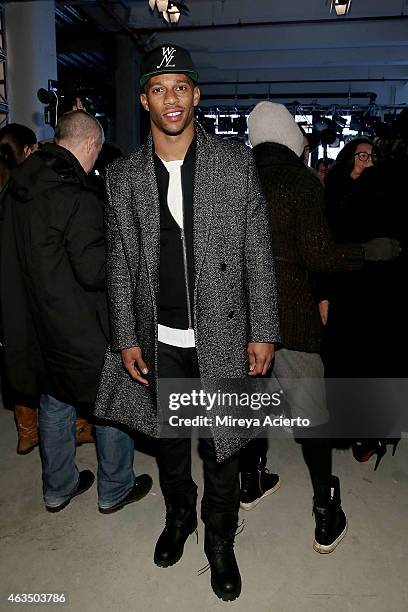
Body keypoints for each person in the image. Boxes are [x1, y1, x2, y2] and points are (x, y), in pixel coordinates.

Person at [94, 44, 280, 602]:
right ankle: (180, 518)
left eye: (180, 87)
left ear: (196, 95)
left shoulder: (233, 162)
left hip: (222, 336)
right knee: (170, 443)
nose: (170, 99)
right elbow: (120, 265)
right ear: (144, 99)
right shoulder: (123, 176)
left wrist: (264, 327)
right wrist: (127, 336)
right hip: (162, 342)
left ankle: (220, 539)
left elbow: (257, 251)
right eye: (159, 89)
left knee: (222, 449)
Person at [243, 102, 400, 554]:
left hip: (243, 318)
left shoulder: (231, 179)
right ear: (290, 136)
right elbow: (318, 255)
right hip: (291, 317)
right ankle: (326, 508)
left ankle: (250, 482)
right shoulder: (299, 181)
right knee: (311, 418)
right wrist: (369, 253)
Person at [0, 110, 152, 513]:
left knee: (55, 402)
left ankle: (58, 487)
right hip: (82, 326)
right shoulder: (76, 197)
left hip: (37, 324)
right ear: (88, 145)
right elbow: (94, 270)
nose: (95, 162)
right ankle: (115, 487)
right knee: (111, 403)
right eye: (97, 153)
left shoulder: (18, 186)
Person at [324, 138, 403, 467]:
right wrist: (323, 294)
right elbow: (325, 248)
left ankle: (372, 433)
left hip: (378, 293)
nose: (367, 160)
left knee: (374, 361)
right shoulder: (333, 193)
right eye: (361, 154)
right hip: (345, 289)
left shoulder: (388, 195)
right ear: (348, 159)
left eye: (372, 156)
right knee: (343, 361)